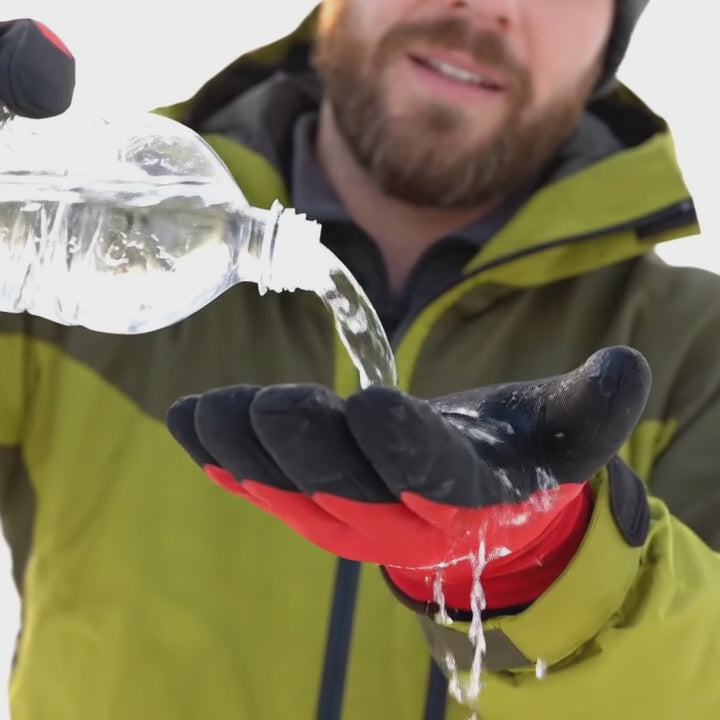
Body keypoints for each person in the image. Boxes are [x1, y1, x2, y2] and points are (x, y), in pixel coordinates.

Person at [1, 1, 719, 718]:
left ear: (611, 37)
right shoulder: (109, 215)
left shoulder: (697, 351)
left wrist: (549, 567)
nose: (486, 5)